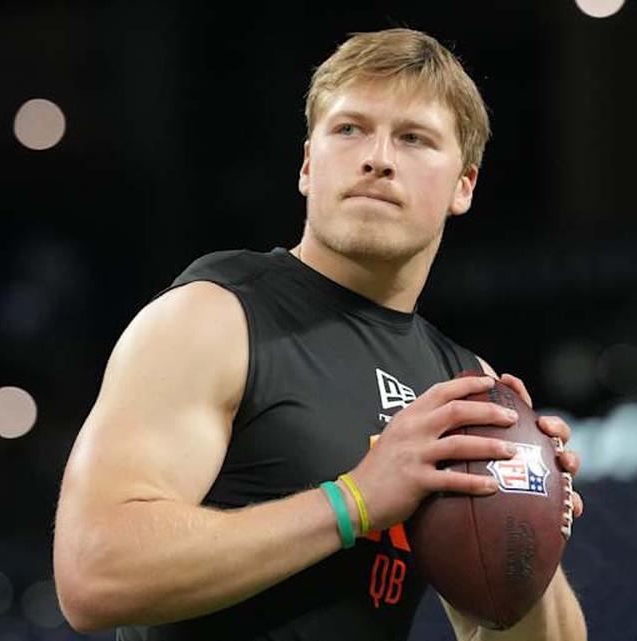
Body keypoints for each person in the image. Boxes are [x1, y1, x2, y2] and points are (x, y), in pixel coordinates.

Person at [52, 27, 586, 641]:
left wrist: (532, 528)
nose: (378, 157)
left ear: (463, 185)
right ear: (309, 165)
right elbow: (94, 575)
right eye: (349, 129)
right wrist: (354, 501)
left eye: (414, 138)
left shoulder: (464, 385)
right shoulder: (215, 316)